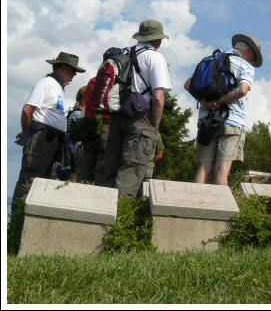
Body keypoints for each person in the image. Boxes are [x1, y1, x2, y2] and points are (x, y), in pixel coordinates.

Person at [96, 19, 172, 198]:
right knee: (130, 174)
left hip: (118, 116)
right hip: (141, 119)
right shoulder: (155, 57)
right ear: (158, 40)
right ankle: (118, 223)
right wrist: (155, 126)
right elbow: (159, 97)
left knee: (110, 170)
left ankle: (97, 214)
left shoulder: (125, 53)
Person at [11, 51, 86, 216]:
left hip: (52, 139)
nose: (74, 75)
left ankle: (29, 217)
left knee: (44, 181)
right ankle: (17, 220)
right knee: (30, 179)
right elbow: (28, 109)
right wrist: (26, 133)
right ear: (64, 67)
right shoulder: (47, 83)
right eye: (73, 70)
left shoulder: (57, 87)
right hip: (42, 138)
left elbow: (43, 114)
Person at [184, 34, 263, 186]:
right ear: (248, 52)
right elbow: (242, 90)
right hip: (232, 121)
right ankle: (221, 210)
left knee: (203, 168)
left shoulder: (212, 60)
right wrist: (219, 101)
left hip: (206, 121)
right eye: (253, 58)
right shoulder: (245, 65)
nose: (252, 61)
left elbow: (188, 84)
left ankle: (196, 208)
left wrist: (206, 102)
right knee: (222, 169)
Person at [77, 47, 120, 183]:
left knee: (87, 165)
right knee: (103, 166)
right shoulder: (115, 81)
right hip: (106, 125)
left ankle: (81, 193)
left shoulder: (92, 81)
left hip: (90, 126)